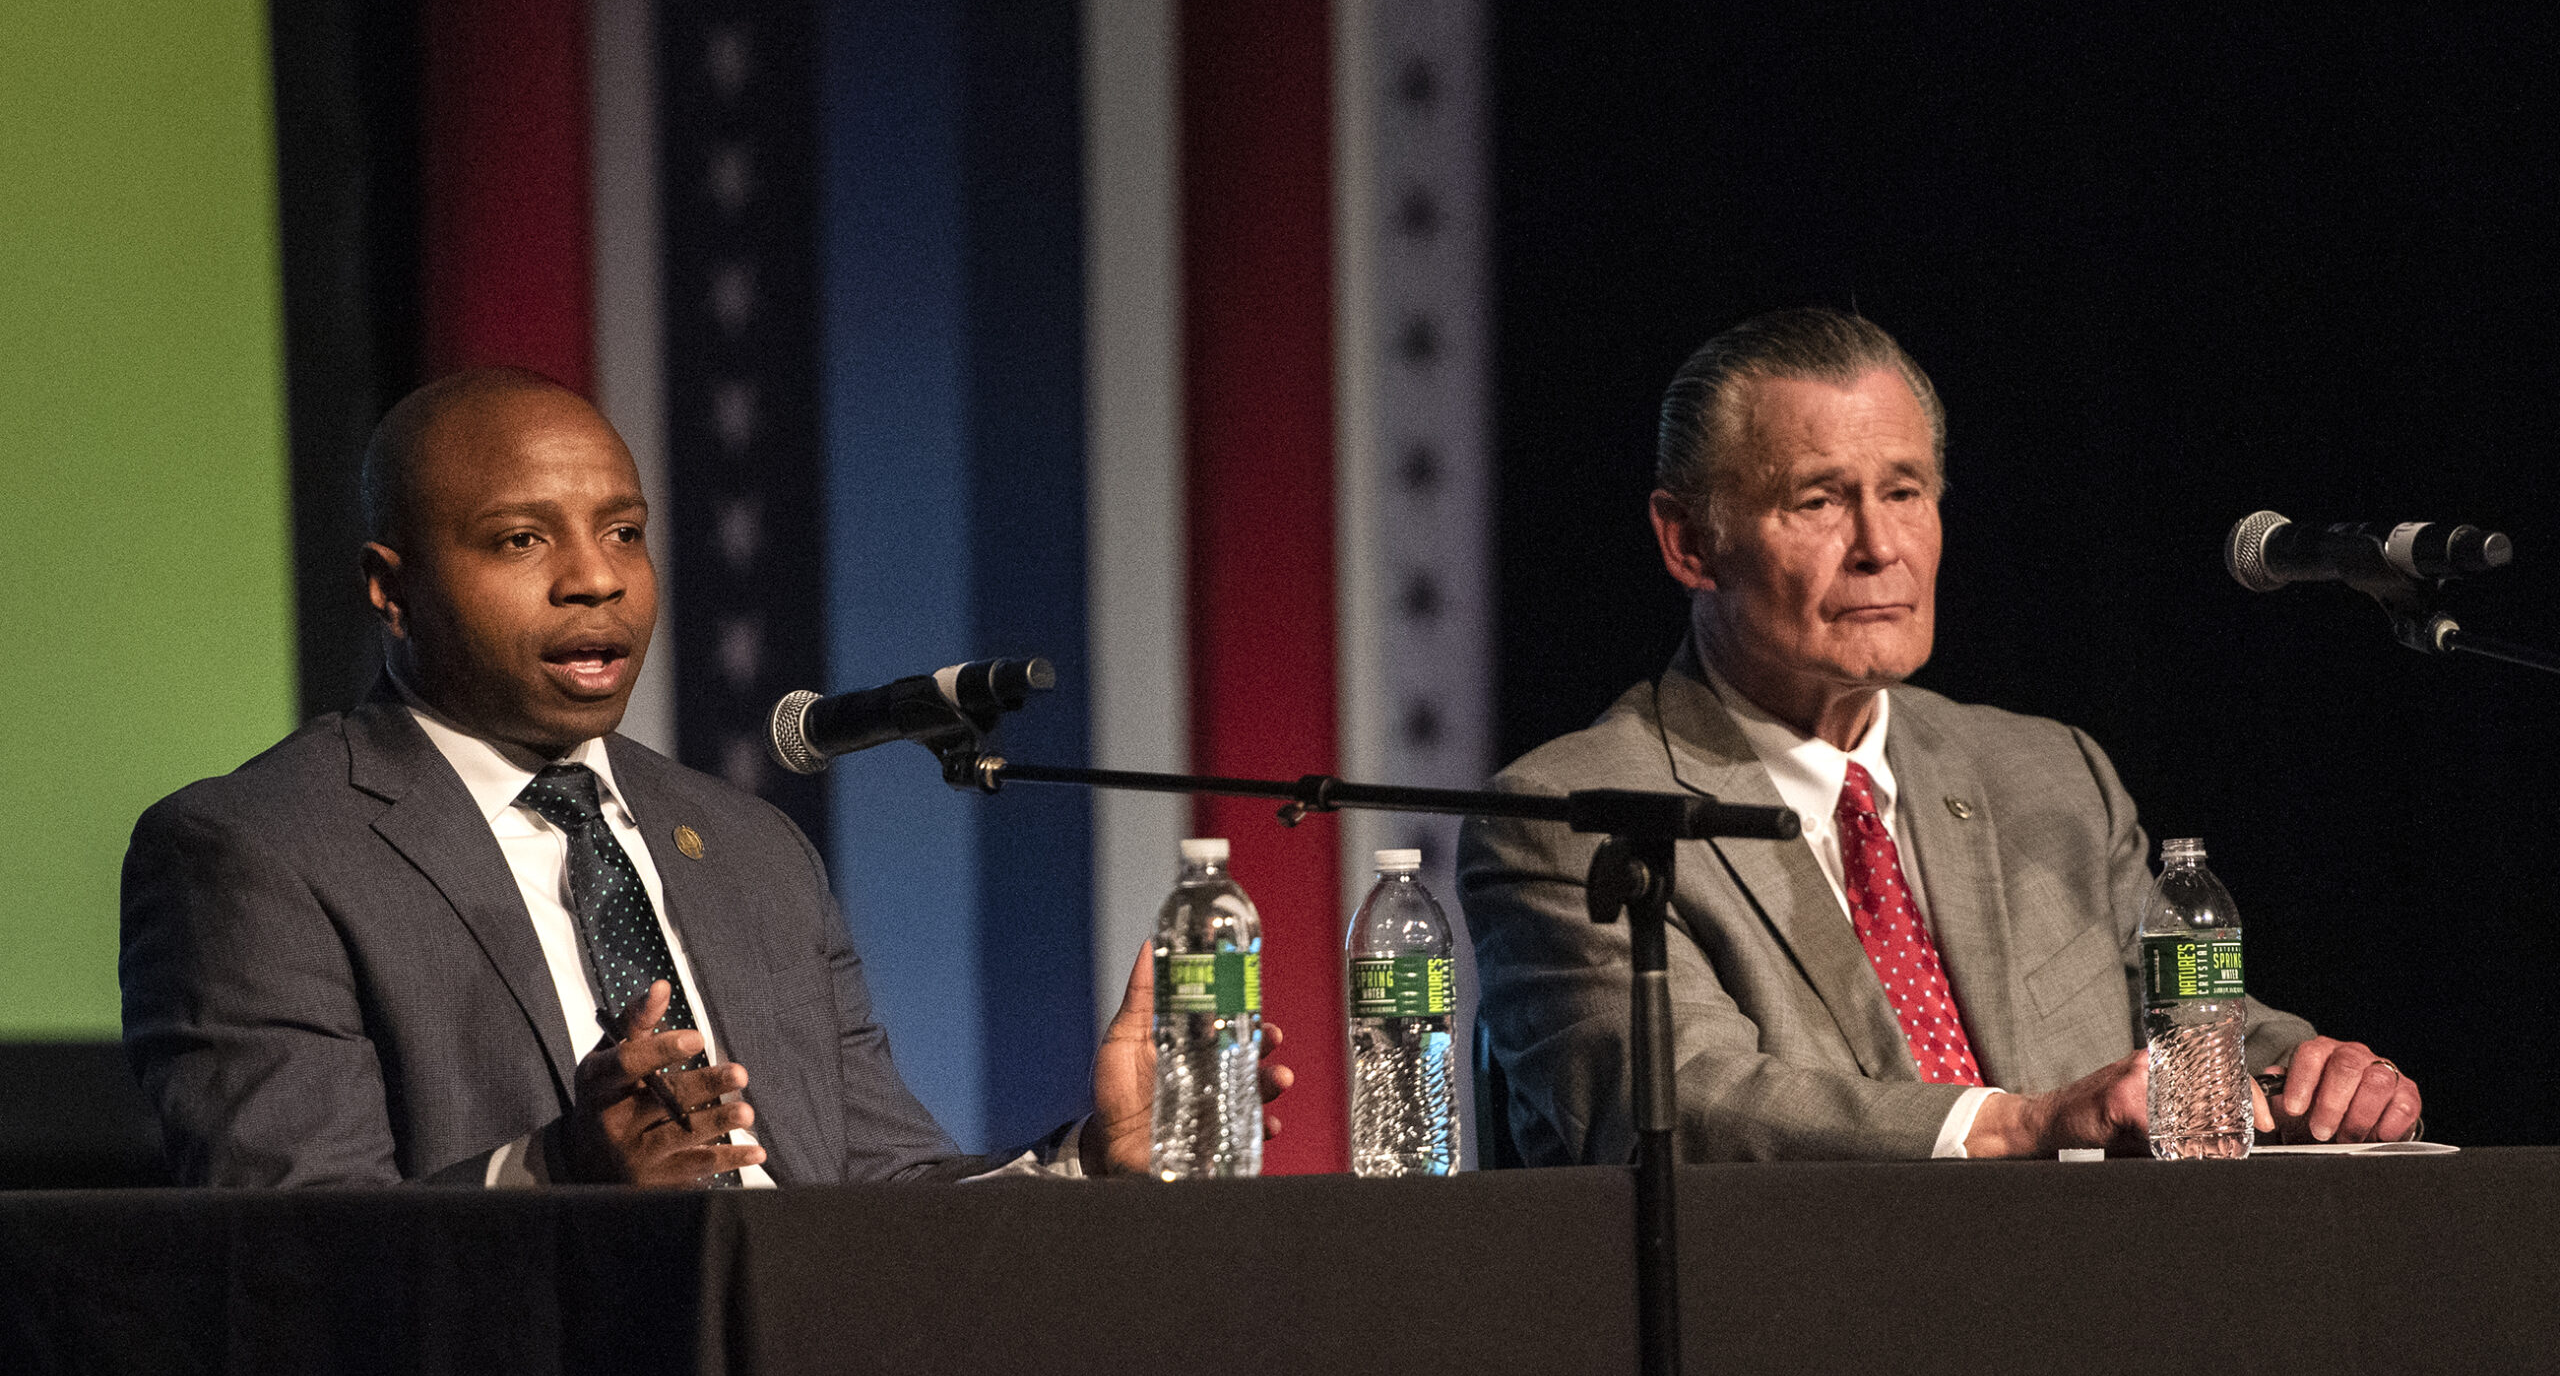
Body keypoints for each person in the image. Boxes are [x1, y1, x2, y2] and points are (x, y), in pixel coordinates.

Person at [120, 366, 1285, 1187]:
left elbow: (875, 1195)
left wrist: (1091, 1156)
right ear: (392, 586)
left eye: (624, 532)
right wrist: (557, 1168)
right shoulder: (258, 849)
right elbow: (284, 1249)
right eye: (522, 541)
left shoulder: (747, 849)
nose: (596, 581)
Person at [1459, 309, 2421, 1163]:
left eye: (1907, 491)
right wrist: (2017, 1124)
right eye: (1819, 499)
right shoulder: (1569, 812)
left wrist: (2314, 1074)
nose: (1880, 545)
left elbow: (2189, 1024)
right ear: (1689, 543)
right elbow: (1673, 1103)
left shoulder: (2051, 775)